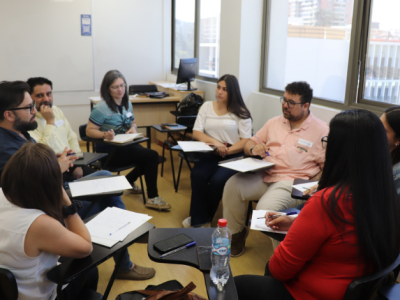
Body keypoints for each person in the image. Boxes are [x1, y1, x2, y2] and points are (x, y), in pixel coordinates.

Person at [234, 109, 400, 300]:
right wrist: (299, 223)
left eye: (328, 141)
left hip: (312, 292)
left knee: (236, 284)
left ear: (340, 149)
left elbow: (279, 270)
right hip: (351, 285)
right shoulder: (383, 191)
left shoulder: (327, 202)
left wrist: (298, 232)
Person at [0, 80, 155, 281]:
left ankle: (126, 234)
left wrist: (62, 160)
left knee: (106, 179)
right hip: (51, 201)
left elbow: (65, 141)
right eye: (30, 106)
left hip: (59, 186)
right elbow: (32, 188)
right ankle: (125, 248)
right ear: (9, 114)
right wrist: (57, 167)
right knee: (108, 200)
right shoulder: (7, 148)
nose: (35, 109)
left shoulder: (21, 132)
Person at [222, 81, 329, 256]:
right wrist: (253, 149)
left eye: (291, 103)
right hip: (266, 173)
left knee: (265, 210)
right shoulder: (274, 122)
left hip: (292, 182)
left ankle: (282, 258)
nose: (285, 105)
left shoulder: (321, 130)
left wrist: (313, 185)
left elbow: (328, 167)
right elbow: (250, 143)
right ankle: (236, 236)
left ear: (306, 106)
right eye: (284, 100)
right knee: (233, 186)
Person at [0, 142, 99, 300]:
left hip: (7, 290)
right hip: (39, 296)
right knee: (90, 269)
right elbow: (86, 247)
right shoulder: (38, 223)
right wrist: (63, 197)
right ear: (50, 183)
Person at [86, 70, 171, 210]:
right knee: (152, 156)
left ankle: (128, 181)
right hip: (109, 152)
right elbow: (89, 130)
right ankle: (152, 198)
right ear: (107, 89)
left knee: (150, 157)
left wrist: (134, 128)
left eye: (122, 85)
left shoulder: (127, 103)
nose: (120, 90)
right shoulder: (101, 108)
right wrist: (104, 135)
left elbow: (133, 122)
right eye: (115, 87)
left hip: (125, 146)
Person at [182, 74, 252, 228]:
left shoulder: (241, 112)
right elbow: (196, 132)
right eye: (219, 87)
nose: (220, 91)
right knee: (197, 174)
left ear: (232, 92)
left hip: (234, 155)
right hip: (212, 152)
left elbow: (246, 140)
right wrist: (216, 143)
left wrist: (227, 150)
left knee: (217, 181)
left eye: (225, 89)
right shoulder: (207, 106)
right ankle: (201, 221)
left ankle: (199, 220)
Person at [380, 106, 400, 196]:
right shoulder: (384, 153)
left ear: (398, 140)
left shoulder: (397, 171)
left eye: (383, 130)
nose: (376, 132)